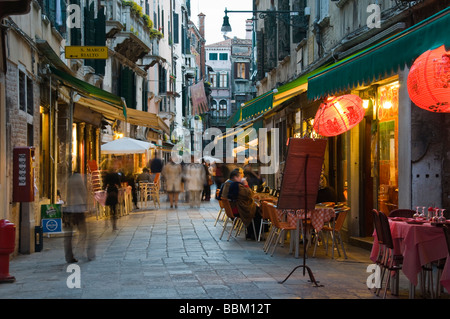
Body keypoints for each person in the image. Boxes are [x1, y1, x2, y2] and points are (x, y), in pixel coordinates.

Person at [63, 172, 95, 263]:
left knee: (68, 235)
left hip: (69, 209)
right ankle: (81, 251)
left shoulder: (69, 180)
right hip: (78, 208)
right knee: (83, 231)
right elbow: (83, 192)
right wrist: (88, 206)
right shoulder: (79, 179)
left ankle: (69, 256)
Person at [222, 169, 261, 240]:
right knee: (258, 211)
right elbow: (249, 194)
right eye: (240, 176)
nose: (242, 178)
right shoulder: (236, 186)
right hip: (238, 209)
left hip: (232, 208)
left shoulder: (227, 183)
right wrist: (246, 184)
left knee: (254, 209)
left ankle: (250, 233)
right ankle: (255, 235)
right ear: (235, 177)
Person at [104, 160, 121, 230]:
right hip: (114, 190)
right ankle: (114, 224)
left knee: (111, 207)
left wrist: (104, 189)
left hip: (109, 190)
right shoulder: (116, 175)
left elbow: (104, 184)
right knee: (115, 207)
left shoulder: (107, 175)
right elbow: (119, 183)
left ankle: (110, 221)